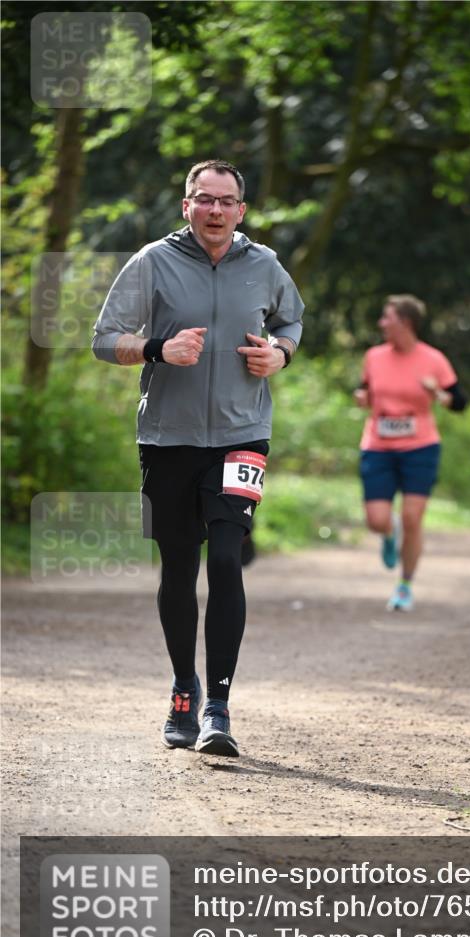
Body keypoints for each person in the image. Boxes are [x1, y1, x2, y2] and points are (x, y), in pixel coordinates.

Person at [92, 159, 304, 756]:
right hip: (168, 438)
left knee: (229, 559)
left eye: (226, 201)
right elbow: (104, 339)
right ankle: (182, 691)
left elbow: (291, 320)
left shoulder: (264, 265)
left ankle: (218, 706)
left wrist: (281, 354)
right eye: (204, 199)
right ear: (186, 205)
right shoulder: (152, 262)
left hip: (243, 434)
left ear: (241, 209)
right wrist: (159, 348)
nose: (215, 210)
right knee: (179, 567)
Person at [355, 295, 467, 611]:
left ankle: (404, 585)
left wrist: (439, 395)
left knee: (413, 517)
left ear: (405, 322)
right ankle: (389, 534)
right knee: (377, 520)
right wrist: (362, 396)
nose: (381, 323)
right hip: (378, 445)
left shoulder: (433, 359)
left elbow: (460, 402)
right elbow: (365, 387)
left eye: (386, 317)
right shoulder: (374, 356)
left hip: (420, 446)